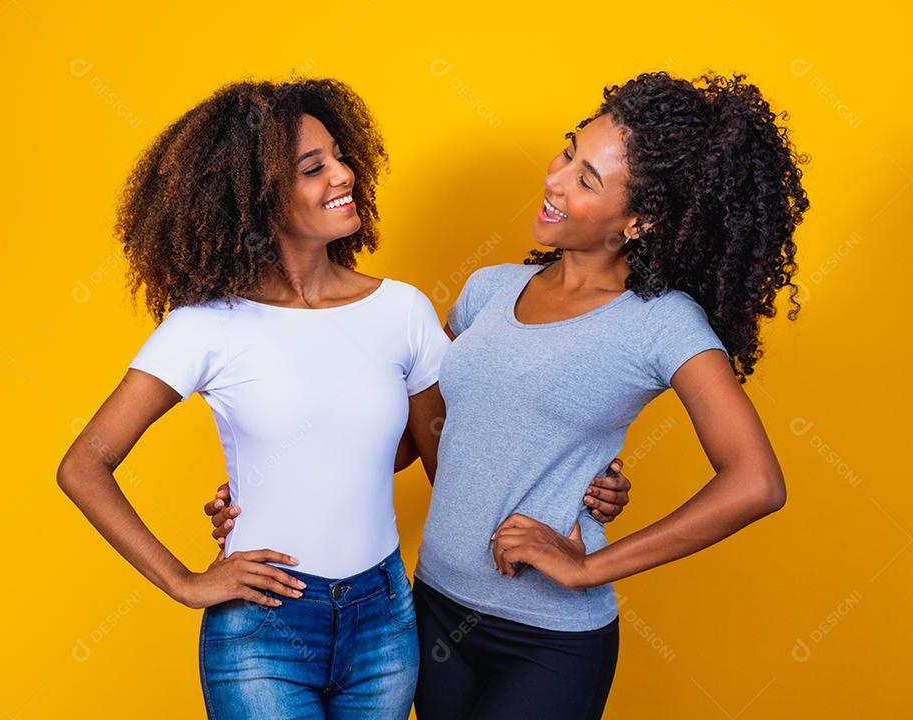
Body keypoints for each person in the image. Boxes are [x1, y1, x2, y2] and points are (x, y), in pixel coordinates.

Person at [209, 70, 808, 720]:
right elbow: (411, 437)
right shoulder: (489, 290)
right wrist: (271, 489)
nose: (555, 179)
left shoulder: (663, 323)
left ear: (641, 220)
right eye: (570, 151)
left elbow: (756, 483)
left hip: (548, 642)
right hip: (434, 612)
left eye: (587, 180)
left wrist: (586, 569)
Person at [57, 76, 632, 720]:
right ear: (255, 200)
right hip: (263, 628)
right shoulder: (205, 327)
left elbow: (448, 458)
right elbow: (84, 464)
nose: (344, 174)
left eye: (339, 154)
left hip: (384, 620)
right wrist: (186, 583)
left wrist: (582, 483)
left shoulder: (403, 312)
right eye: (313, 167)